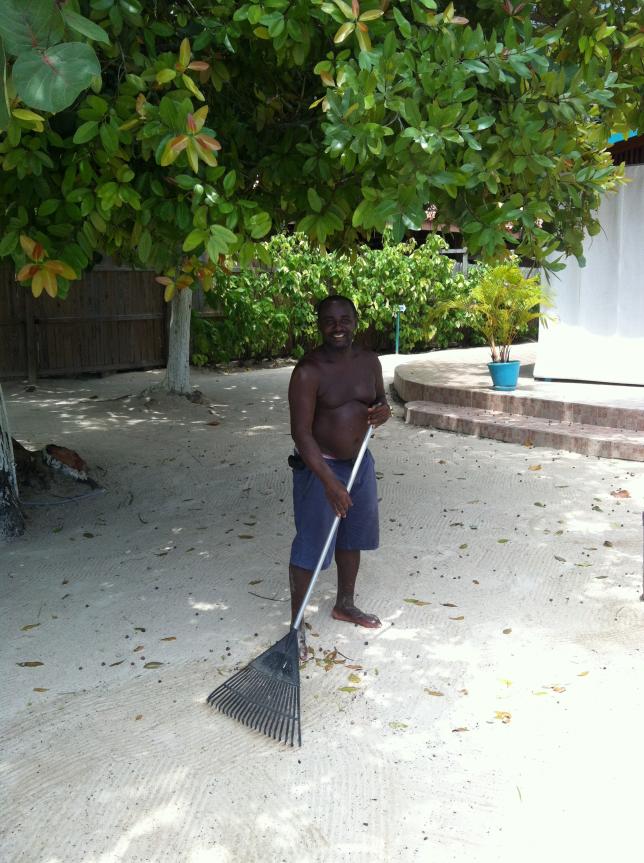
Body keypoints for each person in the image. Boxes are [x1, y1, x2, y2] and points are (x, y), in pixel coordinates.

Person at [287, 294, 391, 658]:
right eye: (329, 321)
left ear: (355, 322)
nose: (337, 328)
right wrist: (329, 482)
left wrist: (384, 412)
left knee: (352, 536)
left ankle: (345, 604)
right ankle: (295, 626)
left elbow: (380, 402)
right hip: (321, 467)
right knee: (312, 544)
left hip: (359, 463)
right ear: (319, 325)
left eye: (344, 320)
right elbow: (301, 433)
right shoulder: (308, 371)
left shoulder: (370, 362)